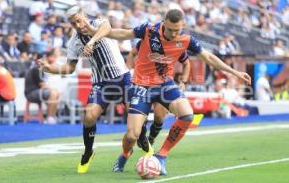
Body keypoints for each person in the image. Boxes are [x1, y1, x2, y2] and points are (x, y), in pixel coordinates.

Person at [104, 9, 251, 175]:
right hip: (141, 85)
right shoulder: (149, 30)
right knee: (132, 136)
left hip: (165, 85)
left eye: (178, 30)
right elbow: (123, 33)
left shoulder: (186, 40)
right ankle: (125, 154)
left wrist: (235, 72)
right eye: (171, 29)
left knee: (187, 115)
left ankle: (161, 155)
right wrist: (98, 33)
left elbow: (209, 58)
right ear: (164, 22)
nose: (174, 33)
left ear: (184, 25)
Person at [37, 6, 131, 174]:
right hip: (101, 83)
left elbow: (106, 29)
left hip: (123, 78)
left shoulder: (100, 23)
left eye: (79, 20)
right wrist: (50, 69)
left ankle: (144, 142)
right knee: (89, 116)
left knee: (135, 115)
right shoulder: (73, 41)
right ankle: (88, 152)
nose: (78, 25)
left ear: (85, 16)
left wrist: (92, 41)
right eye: (74, 24)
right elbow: (70, 67)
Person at [127, 42, 192, 153]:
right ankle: (142, 137)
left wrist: (184, 81)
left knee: (159, 117)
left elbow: (186, 63)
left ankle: (151, 139)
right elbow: (132, 53)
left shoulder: (177, 44)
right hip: (143, 84)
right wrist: (129, 71)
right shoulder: (148, 39)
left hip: (164, 86)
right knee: (141, 119)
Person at [24, 50, 59, 124]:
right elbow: (42, 85)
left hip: (38, 91)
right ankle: (49, 117)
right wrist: (52, 88)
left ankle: (52, 116)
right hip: (31, 93)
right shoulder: (36, 69)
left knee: (56, 93)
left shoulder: (41, 69)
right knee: (53, 93)